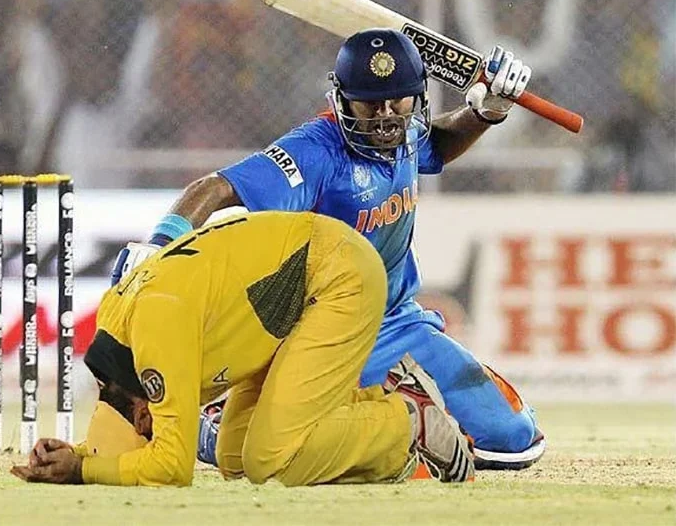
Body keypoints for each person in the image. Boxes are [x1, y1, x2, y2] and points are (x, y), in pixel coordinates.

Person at [112, 28, 545, 471]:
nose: (383, 118)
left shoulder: (406, 130)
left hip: (396, 324)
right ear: (341, 99)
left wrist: (484, 113)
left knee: (512, 439)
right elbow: (216, 188)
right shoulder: (314, 151)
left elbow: (435, 145)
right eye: (368, 104)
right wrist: (159, 245)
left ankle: (370, 411)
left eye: (396, 102)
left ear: (416, 98)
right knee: (259, 455)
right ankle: (217, 424)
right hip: (320, 336)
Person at [11, 211, 474, 486]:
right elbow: (131, 435)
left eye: (146, 429)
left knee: (272, 458)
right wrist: (77, 455)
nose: (153, 428)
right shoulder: (117, 333)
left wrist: (83, 472)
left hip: (337, 276)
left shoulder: (154, 331)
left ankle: (405, 421)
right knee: (236, 460)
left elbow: (171, 467)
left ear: (140, 410)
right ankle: (377, 428)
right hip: (283, 303)